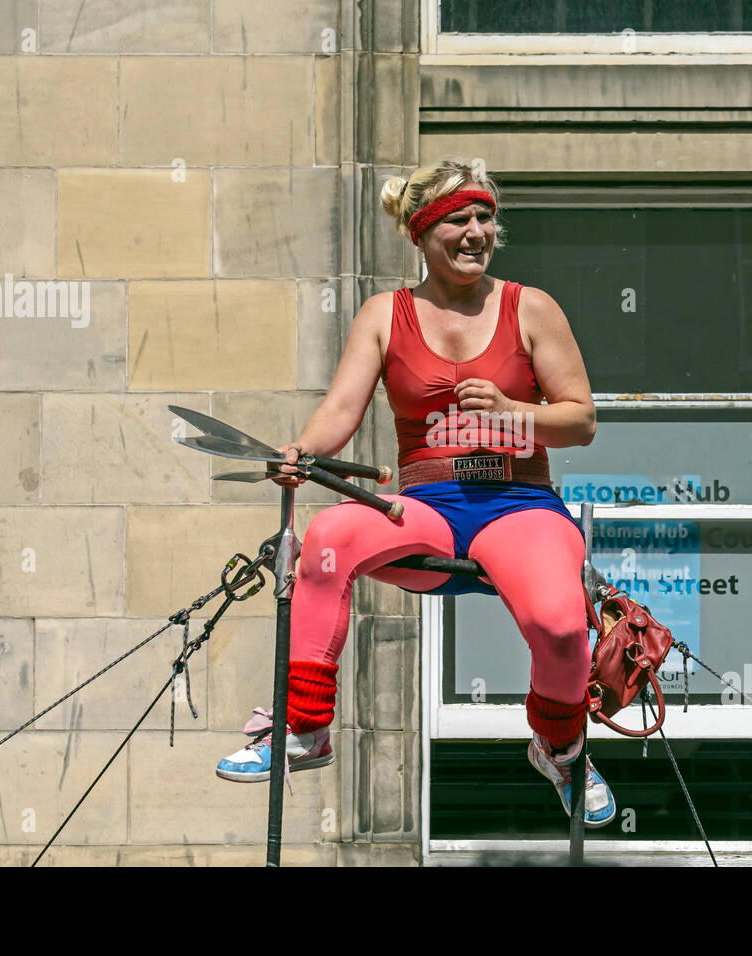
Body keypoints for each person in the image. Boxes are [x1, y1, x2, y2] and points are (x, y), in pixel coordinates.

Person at [215, 158, 615, 828]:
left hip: (517, 505)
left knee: (557, 621)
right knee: (329, 538)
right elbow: (341, 411)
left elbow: (582, 421)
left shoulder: (531, 308)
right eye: (459, 219)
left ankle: (560, 747)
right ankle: (305, 729)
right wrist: (301, 453)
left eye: (485, 218)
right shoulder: (385, 314)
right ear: (423, 233)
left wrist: (512, 412)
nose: (477, 231)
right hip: (427, 507)